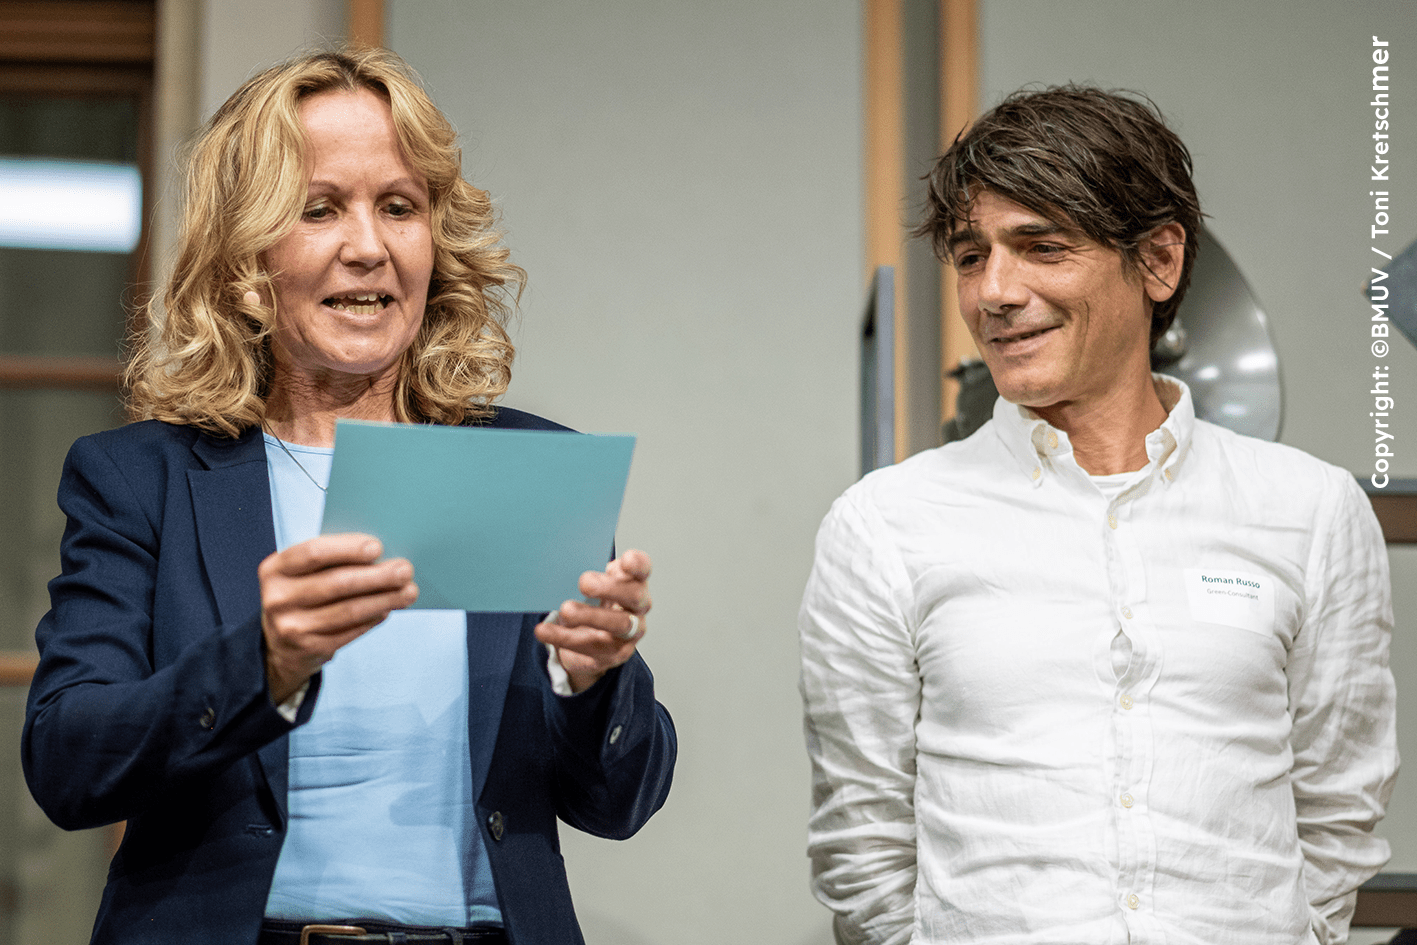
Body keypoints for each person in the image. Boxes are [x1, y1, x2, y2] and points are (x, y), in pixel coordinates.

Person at [22, 48, 675, 945]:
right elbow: (67, 763)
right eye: (319, 208)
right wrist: (262, 662)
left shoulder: (524, 465)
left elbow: (620, 801)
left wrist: (592, 679)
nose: (367, 245)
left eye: (398, 207)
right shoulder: (142, 479)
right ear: (246, 249)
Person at [799, 85, 1396, 945]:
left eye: (1040, 247)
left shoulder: (1309, 508)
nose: (994, 292)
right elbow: (860, 837)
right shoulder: (885, 523)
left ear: (1157, 260)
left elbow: (1339, 804)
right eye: (971, 257)